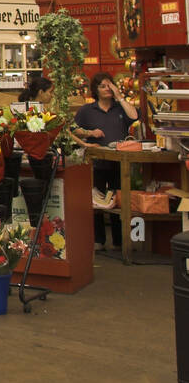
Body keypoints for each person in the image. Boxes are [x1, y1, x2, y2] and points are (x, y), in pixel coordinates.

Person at [73, 72, 138, 251]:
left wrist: (120, 96)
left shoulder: (119, 108)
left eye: (109, 85)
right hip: (97, 162)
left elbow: (134, 117)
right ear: (96, 90)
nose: (107, 89)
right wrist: (90, 133)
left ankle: (119, 241)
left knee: (120, 200)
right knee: (97, 201)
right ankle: (99, 240)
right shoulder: (87, 110)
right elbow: (73, 129)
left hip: (121, 163)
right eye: (102, 86)